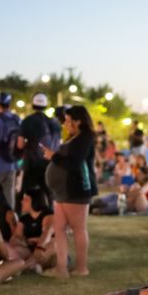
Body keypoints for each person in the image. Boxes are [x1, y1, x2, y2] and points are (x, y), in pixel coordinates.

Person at [42, 105, 98, 278]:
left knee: (78, 228)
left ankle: (81, 268)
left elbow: (74, 163)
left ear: (78, 121)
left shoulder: (85, 138)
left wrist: (53, 156)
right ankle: (61, 268)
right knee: (58, 228)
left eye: (68, 121)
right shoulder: (74, 138)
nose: (65, 124)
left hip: (76, 190)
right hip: (62, 191)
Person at [17, 92, 60, 199]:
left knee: (27, 195)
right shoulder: (54, 122)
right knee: (48, 195)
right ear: (46, 105)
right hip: (50, 164)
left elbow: (20, 144)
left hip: (32, 164)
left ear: (33, 105)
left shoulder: (28, 121)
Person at [10, 188, 56, 272]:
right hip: (30, 249)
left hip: (45, 249)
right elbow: (16, 237)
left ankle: (21, 268)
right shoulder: (24, 219)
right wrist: (24, 241)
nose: (22, 202)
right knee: (15, 249)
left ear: (35, 201)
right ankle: (33, 266)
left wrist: (39, 245)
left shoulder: (48, 214)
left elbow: (47, 232)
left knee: (53, 244)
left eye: (25, 199)